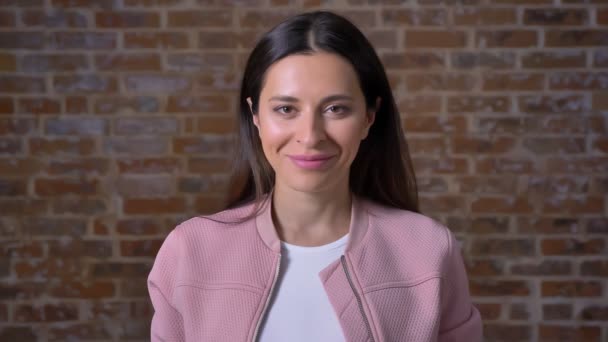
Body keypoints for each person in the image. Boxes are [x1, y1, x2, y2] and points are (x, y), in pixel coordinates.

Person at [148, 10, 483, 342]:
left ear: (369, 116)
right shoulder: (190, 250)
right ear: (255, 116)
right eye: (286, 109)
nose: (310, 136)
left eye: (336, 109)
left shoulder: (428, 249)